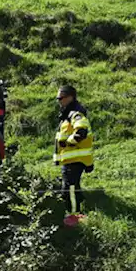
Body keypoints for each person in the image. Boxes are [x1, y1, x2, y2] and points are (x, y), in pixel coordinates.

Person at [53, 85, 93, 218]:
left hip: (74, 159)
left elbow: (81, 132)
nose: (59, 101)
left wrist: (68, 142)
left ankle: (74, 216)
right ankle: (78, 210)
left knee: (69, 189)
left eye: (61, 98)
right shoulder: (68, 114)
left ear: (70, 97)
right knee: (73, 186)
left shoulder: (75, 113)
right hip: (71, 159)